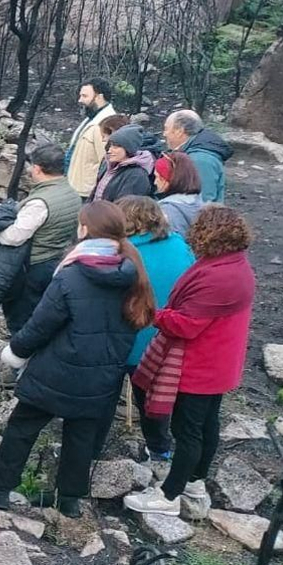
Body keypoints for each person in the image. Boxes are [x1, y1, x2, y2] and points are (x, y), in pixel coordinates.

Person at [0, 201, 155, 517]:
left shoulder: (72, 274)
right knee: (80, 434)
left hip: (58, 369)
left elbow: (41, 324)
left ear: (85, 230)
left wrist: (14, 352)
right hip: (102, 373)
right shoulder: (132, 272)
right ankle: (68, 501)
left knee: (22, 426)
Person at [124, 207, 255, 519]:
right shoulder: (236, 266)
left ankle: (168, 496)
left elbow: (187, 324)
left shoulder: (218, 276)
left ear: (209, 235)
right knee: (207, 425)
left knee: (188, 431)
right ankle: (194, 484)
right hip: (221, 361)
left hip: (200, 364)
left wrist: (152, 314)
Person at [119, 196, 195, 470]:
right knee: (151, 399)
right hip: (163, 339)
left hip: (125, 336)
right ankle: (159, 452)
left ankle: (89, 449)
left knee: (105, 393)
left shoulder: (122, 252)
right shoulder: (180, 246)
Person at [0, 143, 82, 332]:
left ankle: (22, 351)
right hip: (58, 259)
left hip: (33, 266)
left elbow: (14, 237)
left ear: (37, 168)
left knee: (21, 313)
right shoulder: (73, 193)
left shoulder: (39, 203)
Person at [163, 109, 231, 203]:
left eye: (166, 129)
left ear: (179, 131)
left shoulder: (200, 160)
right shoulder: (193, 154)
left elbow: (203, 201)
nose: (164, 134)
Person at [66, 78, 119, 197]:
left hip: (88, 192)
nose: (80, 100)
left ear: (99, 97)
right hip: (77, 187)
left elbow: (107, 162)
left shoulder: (107, 124)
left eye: (84, 96)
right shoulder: (91, 118)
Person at [92, 124, 155, 203]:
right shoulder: (108, 164)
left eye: (115, 147)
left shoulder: (137, 175)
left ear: (128, 149)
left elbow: (125, 207)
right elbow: (95, 193)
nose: (109, 151)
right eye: (110, 146)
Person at [152, 151, 207, 235]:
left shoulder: (166, 211)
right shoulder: (200, 204)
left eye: (158, 177)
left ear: (170, 179)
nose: (155, 182)